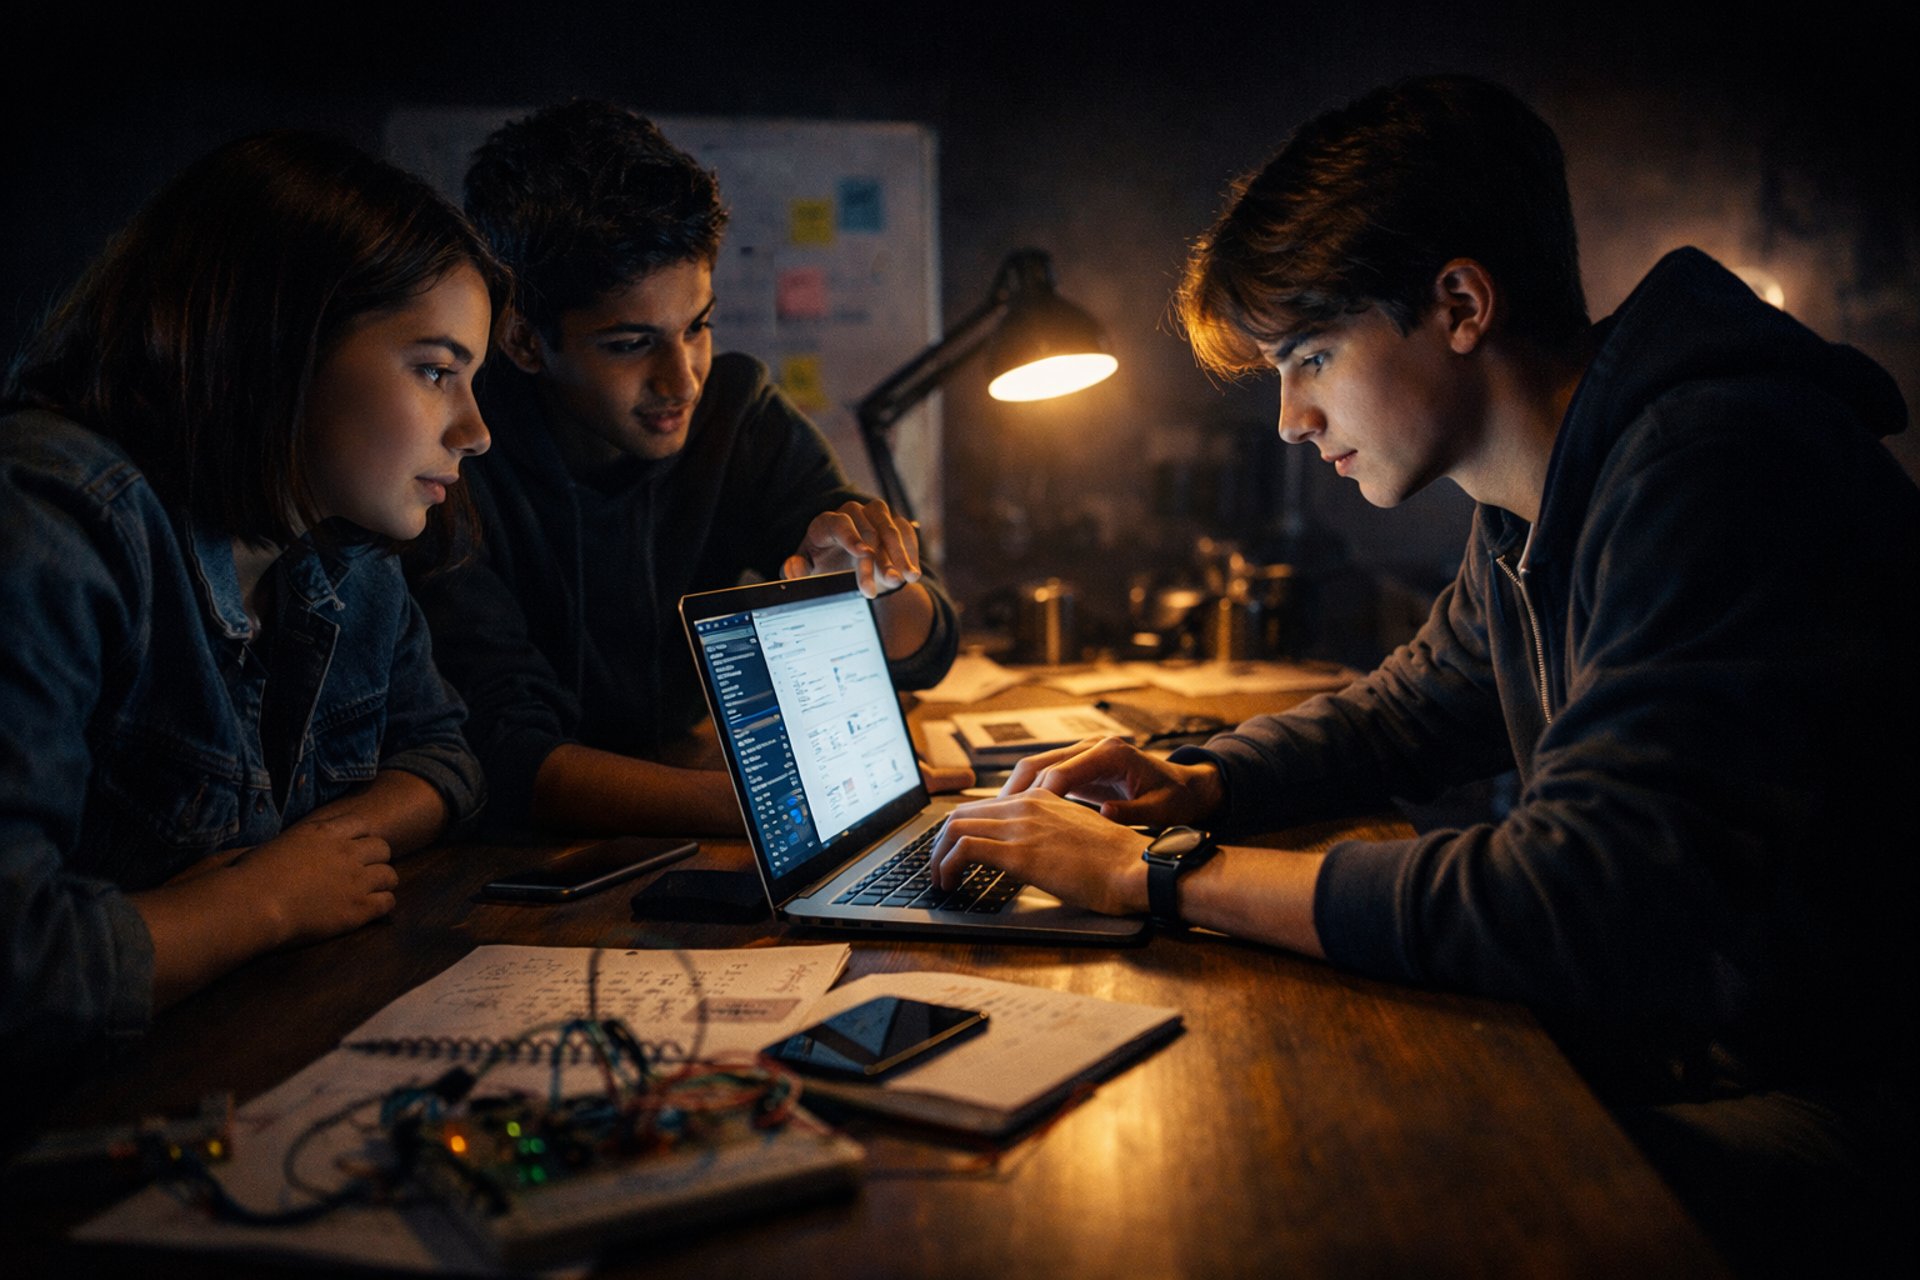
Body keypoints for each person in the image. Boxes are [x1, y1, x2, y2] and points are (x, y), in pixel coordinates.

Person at [928, 76, 1916, 1272]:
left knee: (1343, 1202)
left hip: (1846, 1093)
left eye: (1310, 357)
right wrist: (1191, 783)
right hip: (1699, 1029)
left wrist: (1162, 876)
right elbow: (1411, 707)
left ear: (1458, 302)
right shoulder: (1541, 499)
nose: (1290, 418)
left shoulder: (1715, 464)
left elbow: (1573, 893)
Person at [0, 132, 502, 1089]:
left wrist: (309, 856)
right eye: (436, 371)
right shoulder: (53, 521)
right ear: (280, 343)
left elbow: (446, 759)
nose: (475, 431)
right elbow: (19, 969)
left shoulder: (342, 548)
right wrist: (265, 903)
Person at [407, 100, 960, 837]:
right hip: (519, 865)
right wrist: (779, 809)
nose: (683, 380)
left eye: (697, 326)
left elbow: (924, 651)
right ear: (525, 340)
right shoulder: (456, 463)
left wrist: (880, 582)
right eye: (632, 343)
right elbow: (507, 758)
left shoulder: (738, 414)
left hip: (684, 810)